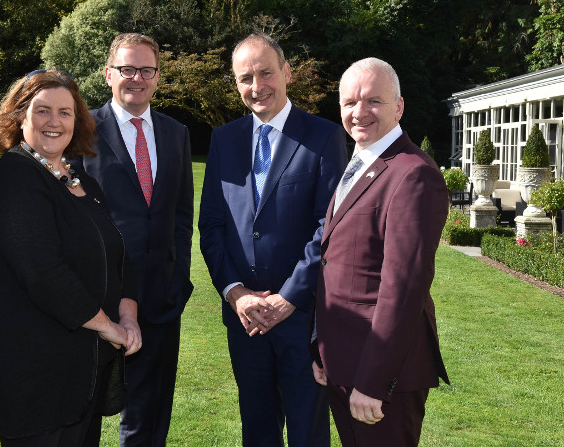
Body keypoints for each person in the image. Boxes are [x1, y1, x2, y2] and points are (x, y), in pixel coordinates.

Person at [0, 69, 142, 447]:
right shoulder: (15, 178)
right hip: (34, 370)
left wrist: (128, 315)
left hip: (81, 367)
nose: (54, 122)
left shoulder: (80, 180)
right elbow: (43, 271)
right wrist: (108, 327)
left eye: (65, 112)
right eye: (42, 111)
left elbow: (116, 255)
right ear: (19, 117)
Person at [198, 33, 347, 446]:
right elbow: (211, 225)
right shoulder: (223, 140)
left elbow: (328, 228)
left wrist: (287, 298)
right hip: (245, 321)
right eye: (245, 77)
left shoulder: (323, 136)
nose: (256, 85)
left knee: (307, 431)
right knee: (257, 431)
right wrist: (236, 293)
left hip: (301, 318)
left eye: (266, 72)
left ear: (287, 73)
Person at [311, 58, 450, 447]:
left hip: (381, 378)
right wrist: (323, 348)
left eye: (373, 101)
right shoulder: (361, 161)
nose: (359, 113)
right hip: (343, 362)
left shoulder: (412, 174)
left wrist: (373, 382)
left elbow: (402, 291)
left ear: (399, 107)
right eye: (349, 102)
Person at [80, 33, 193, 446]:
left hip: (162, 300)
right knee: (83, 411)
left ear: (158, 77)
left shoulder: (176, 133)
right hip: (98, 301)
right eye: (128, 69)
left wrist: (179, 278)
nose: (138, 78)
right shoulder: (82, 130)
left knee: (149, 417)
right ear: (109, 74)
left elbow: (182, 216)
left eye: (147, 70)